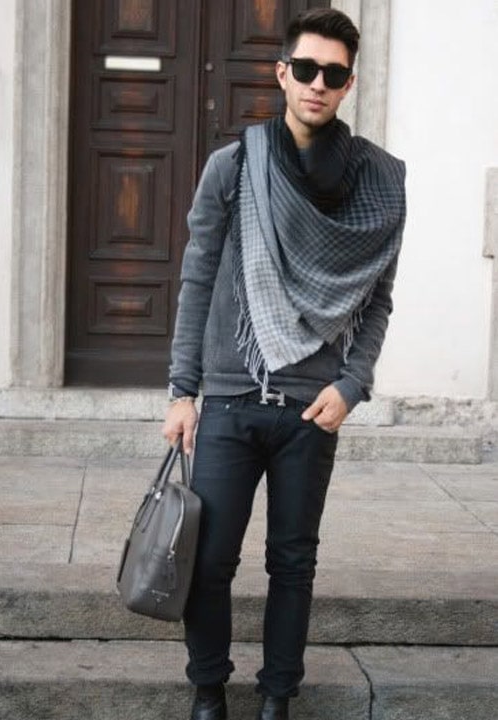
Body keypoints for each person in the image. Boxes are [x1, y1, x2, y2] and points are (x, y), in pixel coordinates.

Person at [163, 8, 406, 720]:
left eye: (333, 74)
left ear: (348, 84)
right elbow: (198, 278)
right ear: (282, 73)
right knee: (209, 564)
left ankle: (277, 698)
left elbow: (378, 302)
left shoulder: (376, 183)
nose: (317, 84)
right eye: (306, 69)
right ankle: (209, 690)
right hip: (232, 402)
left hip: (311, 408)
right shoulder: (234, 166)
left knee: (292, 566)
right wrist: (184, 390)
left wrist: (352, 383)